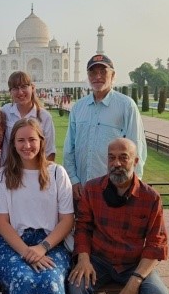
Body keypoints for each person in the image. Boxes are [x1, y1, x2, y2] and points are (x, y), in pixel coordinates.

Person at [67, 138, 169, 294]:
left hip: (133, 262)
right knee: (75, 288)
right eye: (111, 158)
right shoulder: (92, 189)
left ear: (136, 161)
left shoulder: (150, 197)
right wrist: (83, 259)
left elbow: (156, 243)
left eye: (124, 158)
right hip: (99, 260)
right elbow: (83, 227)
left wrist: (136, 280)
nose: (116, 164)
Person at [0, 118, 74, 294]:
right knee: (23, 282)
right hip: (12, 244)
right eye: (21, 140)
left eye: (31, 139)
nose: (27, 146)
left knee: (51, 285)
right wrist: (27, 251)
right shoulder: (3, 175)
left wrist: (42, 248)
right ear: (13, 144)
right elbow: (1, 223)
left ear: (41, 141)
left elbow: (67, 220)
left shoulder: (57, 173)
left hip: (50, 243)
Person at [63, 54, 147, 202]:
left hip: (114, 189)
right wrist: (73, 179)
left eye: (103, 72)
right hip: (82, 188)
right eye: (93, 72)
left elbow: (137, 148)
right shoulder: (79, 108)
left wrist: (132, 187)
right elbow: (69, 148)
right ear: (88, 76)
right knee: (82, 226)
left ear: (113, 75)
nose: (98, 76)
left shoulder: (126, 106)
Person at [0, 71, 56, 165]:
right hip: (10, 170)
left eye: (24, 86)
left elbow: (49, 152)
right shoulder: (5, 112)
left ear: (32, 88)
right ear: (10, 92)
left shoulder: (44, 117)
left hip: (35, 171)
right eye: (15, 88)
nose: (20, 92)